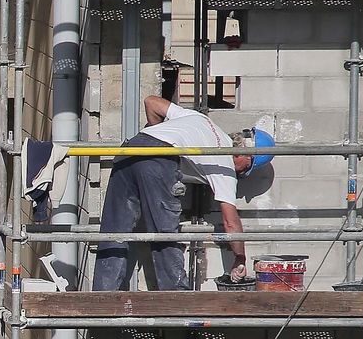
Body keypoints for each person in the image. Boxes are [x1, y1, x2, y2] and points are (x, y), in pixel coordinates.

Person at [92, 95, 274, 291]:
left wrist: (155, 138)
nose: (241, 173)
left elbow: (151, 102)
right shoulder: (225, 165)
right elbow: (231, 223)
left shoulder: (202, 120)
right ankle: (176, 296)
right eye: (246, 168)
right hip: (159, 160)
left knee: (114, 229)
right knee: (164, 233)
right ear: (246, 155)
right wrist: (240, 257)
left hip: (131, 149)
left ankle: (103, 295)